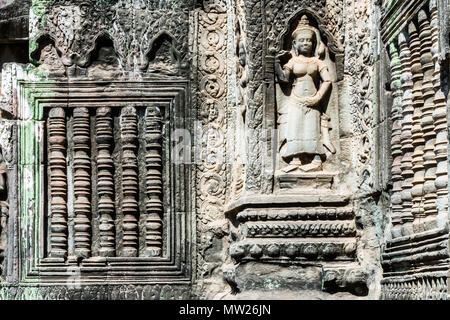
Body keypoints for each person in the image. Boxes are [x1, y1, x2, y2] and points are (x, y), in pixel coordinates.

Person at [275, 15, 333, 172]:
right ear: (295, 43)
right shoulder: (293, 62)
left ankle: (316, 160)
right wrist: (276, 64)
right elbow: (285, 79)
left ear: (313, 43)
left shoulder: (317, 62)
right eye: (302, 40)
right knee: (295, 127)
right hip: (296, 99)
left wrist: (317, 98)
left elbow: (327, 81)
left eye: (309, 40)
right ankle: (295, 159)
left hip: (313, 98)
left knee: (312, 128)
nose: (306, 43)